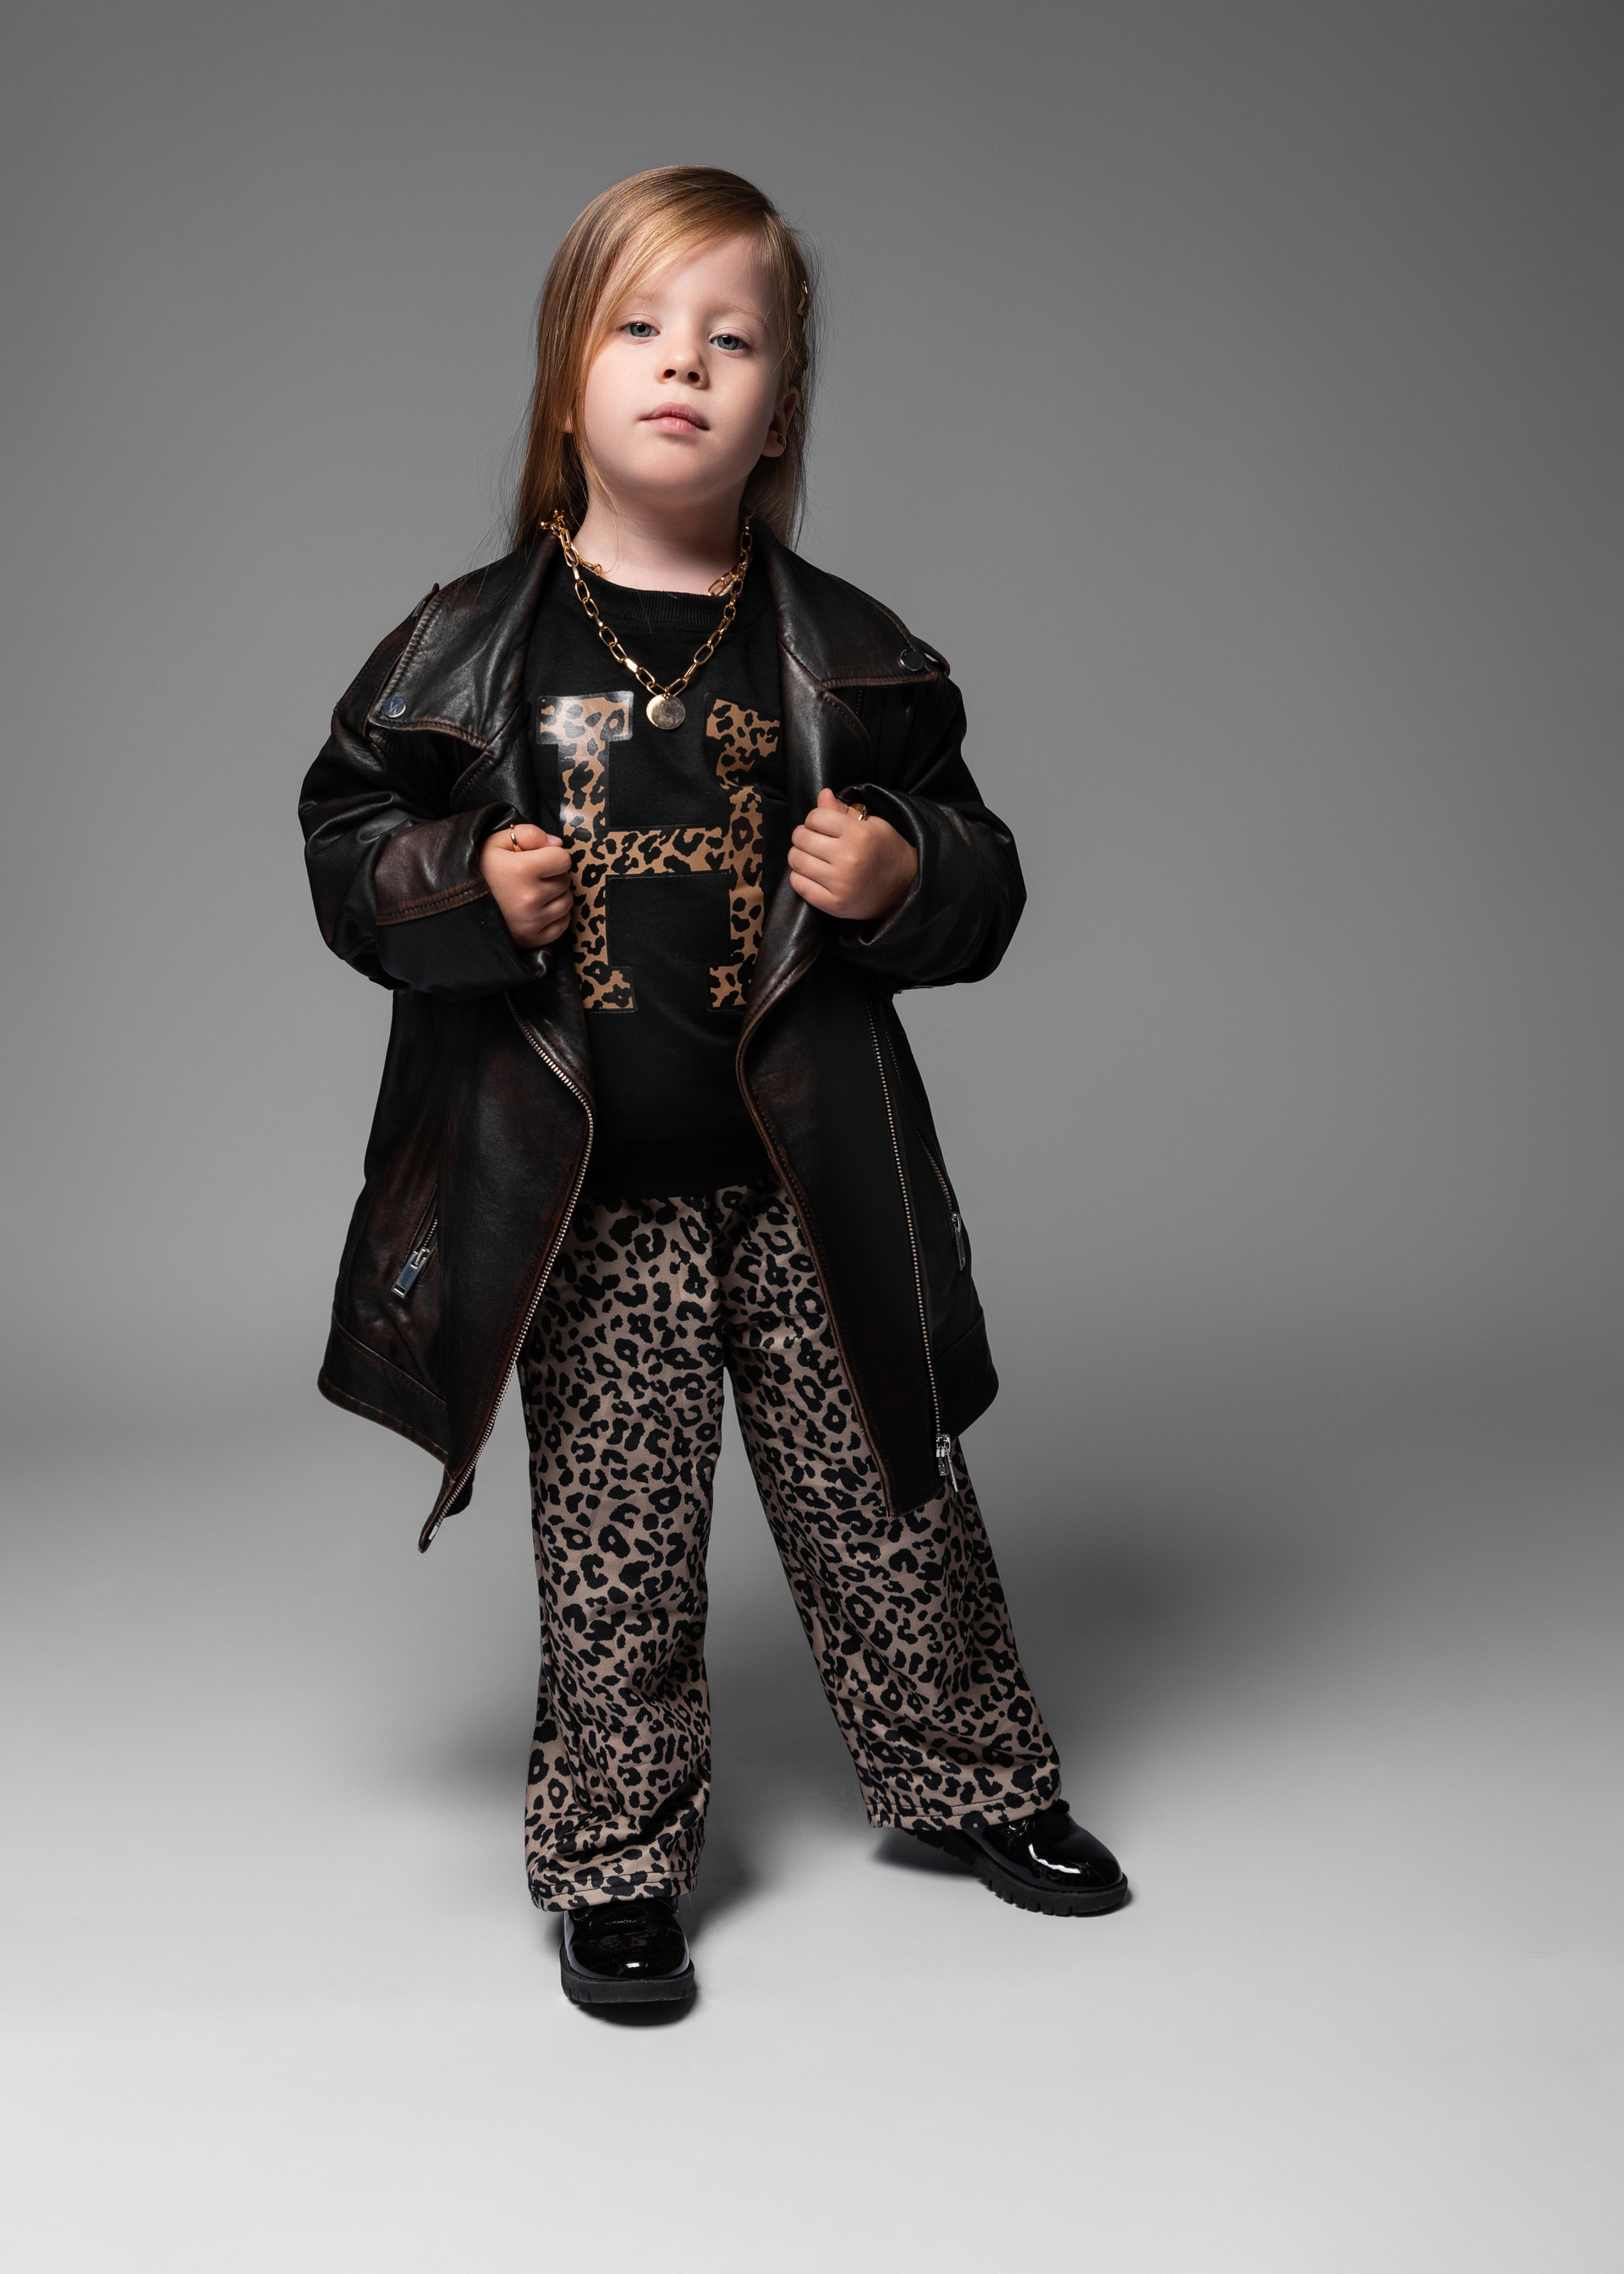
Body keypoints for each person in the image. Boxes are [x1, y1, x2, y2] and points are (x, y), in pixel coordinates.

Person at [299, 164, 1127, 2009]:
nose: (685, 364)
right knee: (619, 1542)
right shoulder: (463, 646)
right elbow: (346, 849)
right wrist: (459, 883)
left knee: (893, 1489)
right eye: (641, 326)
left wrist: (905, 868)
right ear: (567, 381)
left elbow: (986, 871)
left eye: (732, 338)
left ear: (783, 406)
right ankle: (615, 1855)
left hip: (808, 1176)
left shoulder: (848, 654)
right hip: (587, 1199)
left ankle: (968, 1773)